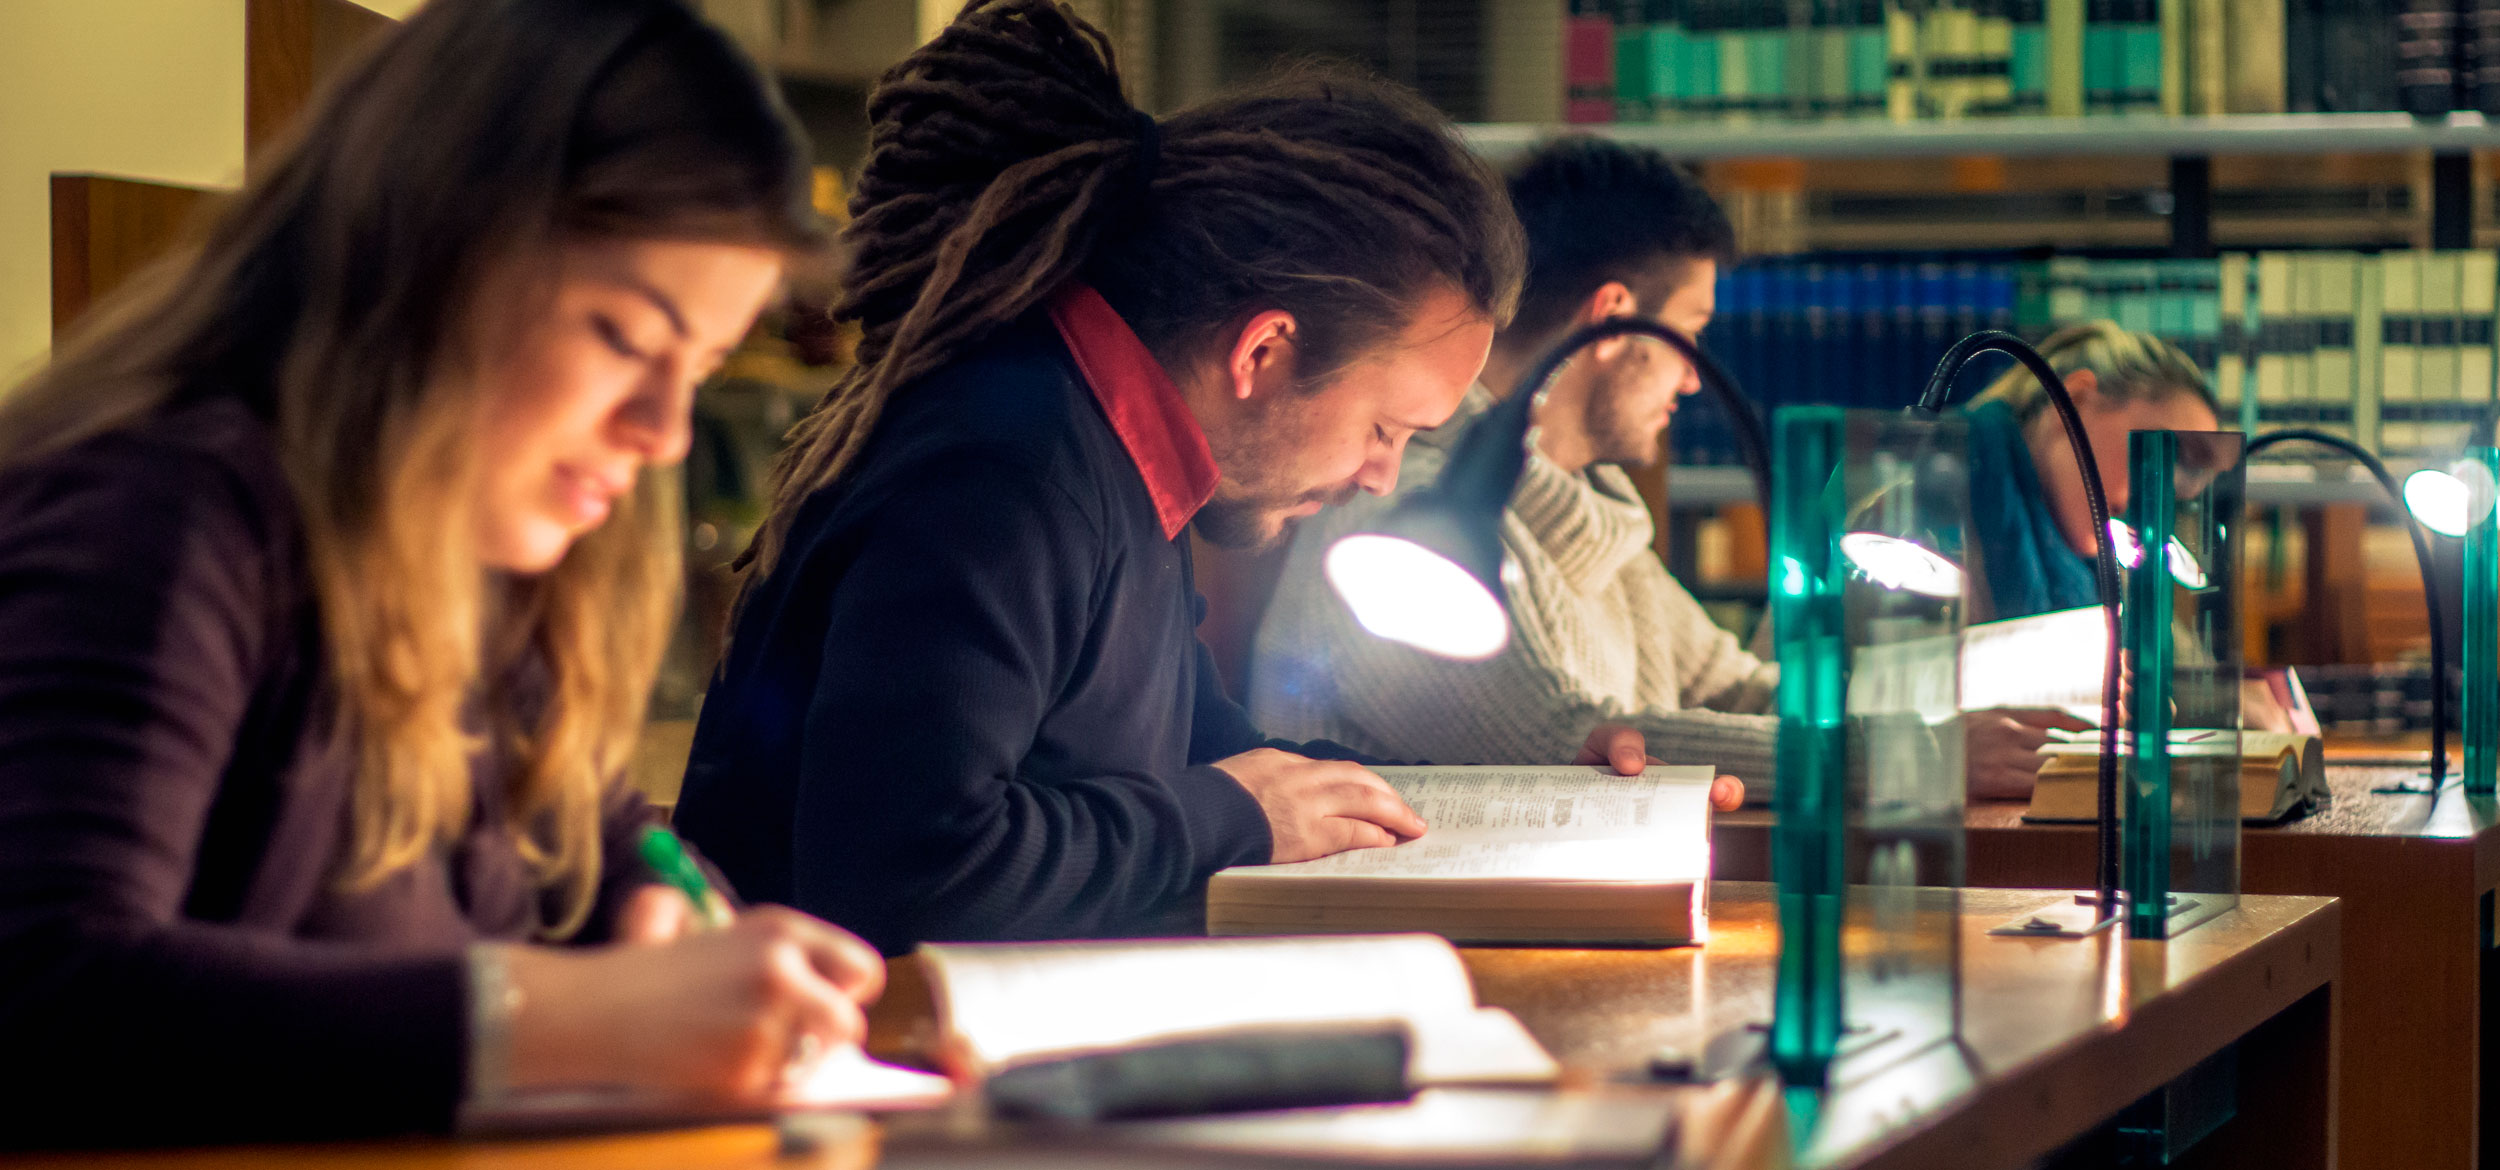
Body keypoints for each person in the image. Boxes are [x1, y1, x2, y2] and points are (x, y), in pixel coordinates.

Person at [0, 0, 881, 1146]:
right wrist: (565, 1016)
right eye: (623, 337)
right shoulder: (165, 510)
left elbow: (604, 837)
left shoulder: (477, 563)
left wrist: (703, 939)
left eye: (700, 368)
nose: (667, 431)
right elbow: (40, 995)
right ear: (432, 257)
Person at [674, 1, 1727, 958]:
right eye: (1381, 427)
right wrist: (1234, 816)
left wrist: (1533, 802)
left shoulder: (1123, 457)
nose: (1380, 476)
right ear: (1263, 352)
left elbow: (1204, 754)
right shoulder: (1005, 470)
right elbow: (905, 876)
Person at [1248, 137, 2083, 802]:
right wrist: (1916, 757)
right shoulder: (1402, 517)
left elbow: (1744, 691)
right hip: (1437, 956)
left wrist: (2000, 691)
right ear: (1611, 321)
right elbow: (1571, 738)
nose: (1694, 377)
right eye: (1688, 332)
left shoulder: (1594, 518)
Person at [1960, 321, 2224, 622]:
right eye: (2153, 453)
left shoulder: (2095, 577)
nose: (2159, 494)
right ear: (2072, 402)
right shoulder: (1940, 501)